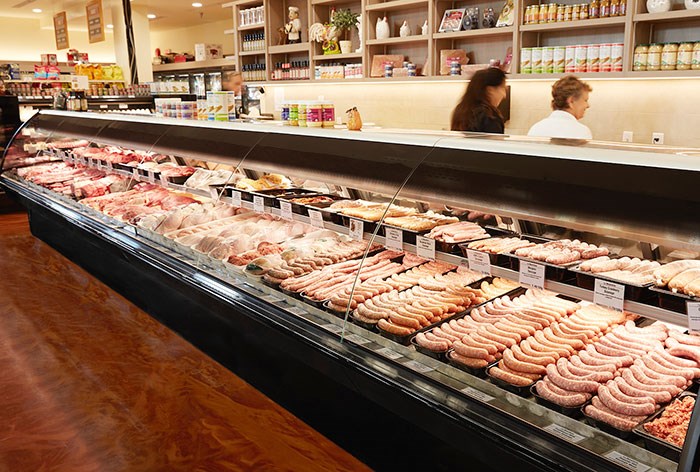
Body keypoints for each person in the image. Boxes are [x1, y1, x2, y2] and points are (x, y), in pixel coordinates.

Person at [527, 75, 592, 140]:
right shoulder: (581, 132)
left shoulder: (536, 128)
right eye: (585, 100)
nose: (588, 105)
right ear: (571, 101)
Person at [450, 67, 507, 133]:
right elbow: (494, 142)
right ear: (490, 90)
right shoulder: (489, 116)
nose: (504, 95)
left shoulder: (460, 110)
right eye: (503, 88)